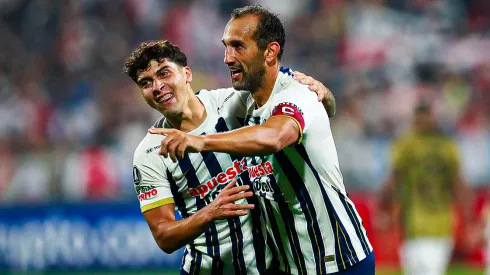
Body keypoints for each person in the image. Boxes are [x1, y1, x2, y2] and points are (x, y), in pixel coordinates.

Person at [149, 5, 374, 274]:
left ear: (270, 51)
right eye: (226, 47)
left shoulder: (296, 94)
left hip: (340, 260)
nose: (227, 57)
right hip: (291, 266)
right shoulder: (241, 103)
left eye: (238, 46)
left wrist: (201, 142)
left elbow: (275, 136)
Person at [125, 40, 335, 274]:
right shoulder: (150, 153)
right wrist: (210, 212)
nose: (157, 86)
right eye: (146, 83)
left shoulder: (233, 103)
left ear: (187, 74)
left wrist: (323, 95)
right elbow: (164, 237)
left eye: (164, 74)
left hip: (273, 267)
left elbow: (297, 99)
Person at [378, 102, 472, 275]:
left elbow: (392, 179)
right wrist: (469, 221)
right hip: (434, 225)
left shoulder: (406, 145)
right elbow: (460, 185)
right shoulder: (447, 147)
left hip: (418, 225)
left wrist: (382, 210)